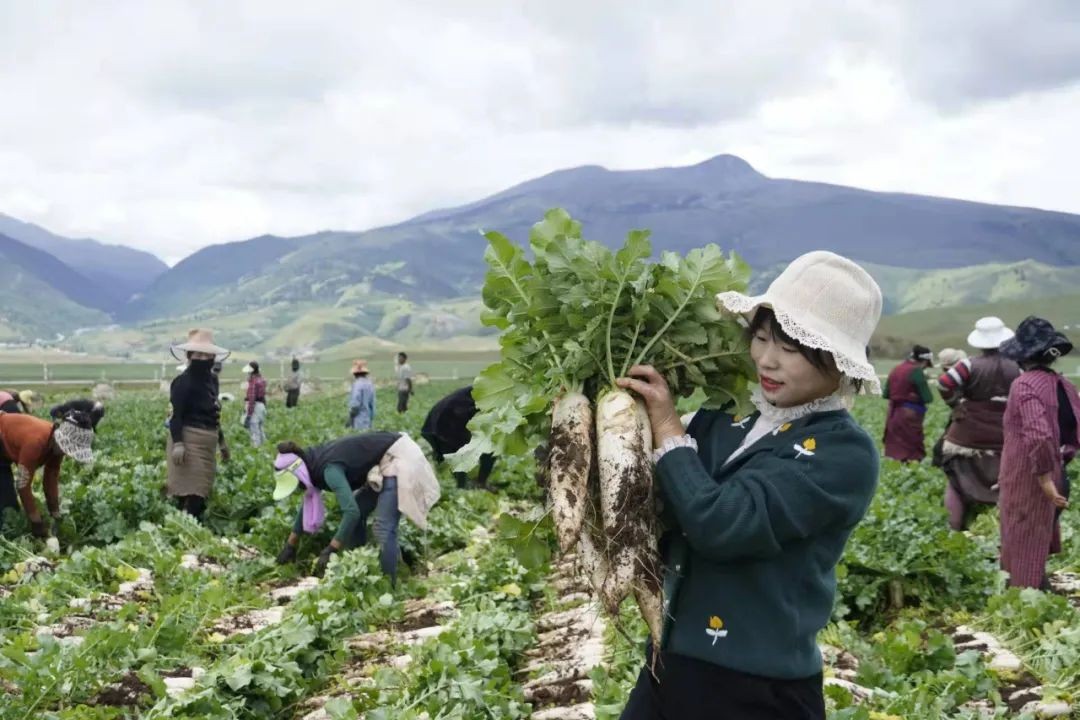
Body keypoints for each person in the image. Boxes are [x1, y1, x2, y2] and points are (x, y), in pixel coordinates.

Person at [614, 251, 882, 720]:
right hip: (669, 665)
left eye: (791, 348)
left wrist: (668, 426)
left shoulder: (843, 454)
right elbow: (663, 503)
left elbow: (722, 525)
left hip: (759, 688)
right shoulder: (728, 416)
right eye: (760, 339)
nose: (767, 360)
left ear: (838, 364)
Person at [271, 431, 440, 581]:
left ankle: (391, 585)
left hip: (399, 456)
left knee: (383, 527)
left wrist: (331, 549)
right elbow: (309, 501)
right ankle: (358, 565)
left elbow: (351, 512)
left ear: (298, 472)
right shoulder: (311, 462)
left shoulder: (329, 469)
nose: (298, 486)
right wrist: (290, 545)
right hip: (383, 461)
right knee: (360, 510)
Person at [997, 317, 1079, 589]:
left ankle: (1026, 603)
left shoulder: (1024, 385)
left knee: (1023, 540)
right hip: (1055, 472)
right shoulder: (1063, 384)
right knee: (1036, 538)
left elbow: (1039, 434)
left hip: (1030, 478)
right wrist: (1059, 465)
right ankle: (1037, 591)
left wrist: (1044, 479)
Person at [936, 318, 1020, 530]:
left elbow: (944, 383)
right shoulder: (1017, 366)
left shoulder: (968, 365)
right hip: (1005, 435)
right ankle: (1004, 532)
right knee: (1009, 486)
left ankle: (954, 528)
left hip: (967, 435)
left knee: (955, 483)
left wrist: (955, 404)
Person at [167, 329, 231, 520]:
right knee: (191, 492)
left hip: (208, 442)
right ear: (189, 356)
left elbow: (213, 412)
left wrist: (222, 442)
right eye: (198, 354)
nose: (203, 358)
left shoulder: (212, 380)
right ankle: (182, 530)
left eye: (207, 354)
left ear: (213, 357)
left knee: (202, 488)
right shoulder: (182, 382)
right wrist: (178, 443)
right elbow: (176, 416)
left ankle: (187, 527)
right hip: (188, 440)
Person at [0, 409, 94, 537]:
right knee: (7, 509)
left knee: (9, 506)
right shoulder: (36, 442)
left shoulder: (57, 448)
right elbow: (22, 485)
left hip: (5, 445)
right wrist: (36, 521)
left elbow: (51, 478)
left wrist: (55, 513)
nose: (67, 453)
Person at [421, 385, 495, 489]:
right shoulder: (483, 395)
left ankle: (474, 483)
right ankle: (463, 487)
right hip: (442, 425)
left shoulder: (478, 396)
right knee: (457, 456)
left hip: (437, 423)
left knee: (454, 456)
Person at [882, 345, 935, 462]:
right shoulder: (916, 371)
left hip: (893, 412)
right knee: (912, 446)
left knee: (896, 444)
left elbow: (886, 394)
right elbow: (928, 398)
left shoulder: (896, 369)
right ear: (925, 361)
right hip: (910, 413)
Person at [242, 362, 267, 447]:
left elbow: (252, 399)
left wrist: (249, 414)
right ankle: (265, 447)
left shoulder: (253, 382)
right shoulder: (262, 379)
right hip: (261, 406)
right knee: (260, 429)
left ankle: (256, 450)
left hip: (255, 406)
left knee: (254, 430)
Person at [347, 359, 376, 431]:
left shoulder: (357, 385)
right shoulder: (370, 384)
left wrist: (350, 418)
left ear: (355, 374)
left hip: (358, 420)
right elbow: (372, 404)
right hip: (368, 419)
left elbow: (355, 405)